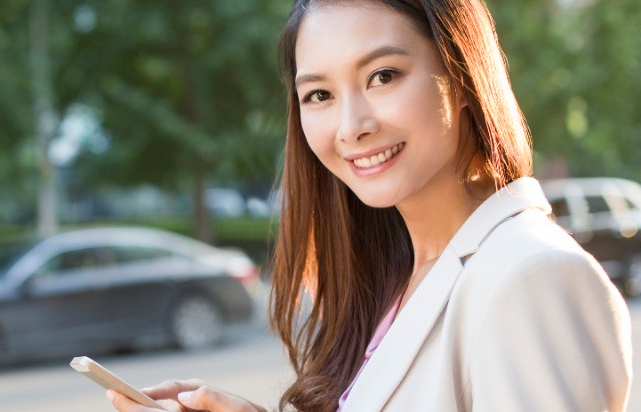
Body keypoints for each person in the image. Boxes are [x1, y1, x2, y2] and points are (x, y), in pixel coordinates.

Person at [109, 0, 632, 411]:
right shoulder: (399, 276)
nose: (351, 126)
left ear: (462, 74)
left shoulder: (530, 276)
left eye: (382, 76)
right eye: (319, 95)